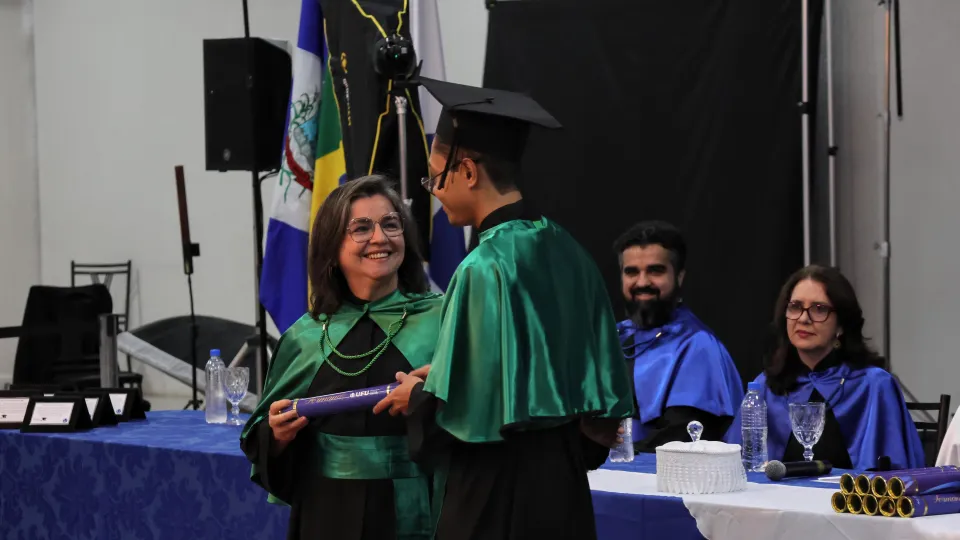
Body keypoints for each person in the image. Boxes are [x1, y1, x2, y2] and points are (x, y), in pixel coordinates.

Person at [373, 77, 635, 540]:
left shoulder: (483, 267)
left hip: (493, 495)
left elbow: (460, 421)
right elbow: (577, 387)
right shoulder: (571, 252)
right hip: (562, 488)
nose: (432, 189)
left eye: (434, 177)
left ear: (468, 172)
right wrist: (447, 371)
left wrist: (415, 398)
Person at [239, 176, 444, 540]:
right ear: (332, 247)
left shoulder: (443, 321)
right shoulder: (305, 337)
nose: (380, 238)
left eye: (391, 224)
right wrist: (279, 435)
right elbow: (263, 439)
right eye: (361, 228)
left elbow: (477, 416)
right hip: (326, 511)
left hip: (418, 508)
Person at [725, 265, 925, 470]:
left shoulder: (874, 386)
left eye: (819, 309)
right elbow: (732, 467)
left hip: (848, 501)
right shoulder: (765, 386)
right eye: (795, 306)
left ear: (841, 325)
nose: (803, 318)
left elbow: (899, 478)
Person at [613, 221, 743, 451]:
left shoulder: (698, 346)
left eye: (655, 270)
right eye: (631, 272)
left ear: (679, 276)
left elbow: (682, 437)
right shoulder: (612, 337)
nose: (642, 282)